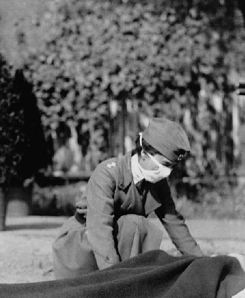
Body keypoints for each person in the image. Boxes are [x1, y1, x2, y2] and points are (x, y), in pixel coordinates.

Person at [52, 117, 204, 279]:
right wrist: (114, 277)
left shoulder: (158, 183)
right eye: (165, 164)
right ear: (145, 154)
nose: (168, 172)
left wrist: (202, 263)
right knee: (135, 224)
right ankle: (122, 281)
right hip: (82, 245)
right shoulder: (108, 173)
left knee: (139, 226)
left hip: (116, 243)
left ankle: (131, 279)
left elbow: (174, 224)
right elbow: (99, 229)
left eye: (172, 166)